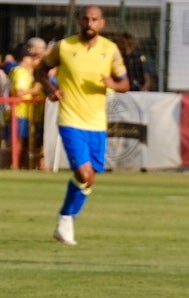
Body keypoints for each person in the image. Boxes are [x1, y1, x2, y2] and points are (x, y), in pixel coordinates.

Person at [35, 5, 129, 246]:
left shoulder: (110, 50)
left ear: (102, 23)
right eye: (86, 19)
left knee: (89, 179)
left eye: (94, 19)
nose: (90, 23)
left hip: (97, 122)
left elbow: (125, 83)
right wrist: (51, 90)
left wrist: (112, 84)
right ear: (79, 21)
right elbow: (41, 71)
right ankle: (66, 218)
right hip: (70, 119)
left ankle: (66, 218)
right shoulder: (65, 47)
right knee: (83, 173)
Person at [5, 42, 45, 169]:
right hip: (20, 110)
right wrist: (34, 90)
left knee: (20, 139)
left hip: (22, 110)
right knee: (17, 140)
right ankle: (14, 164)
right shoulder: (20, 72)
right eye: (30, 57)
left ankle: (17, 163)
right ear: (24, 58)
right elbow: (19, 92)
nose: (32, 60)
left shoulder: (20, 71)